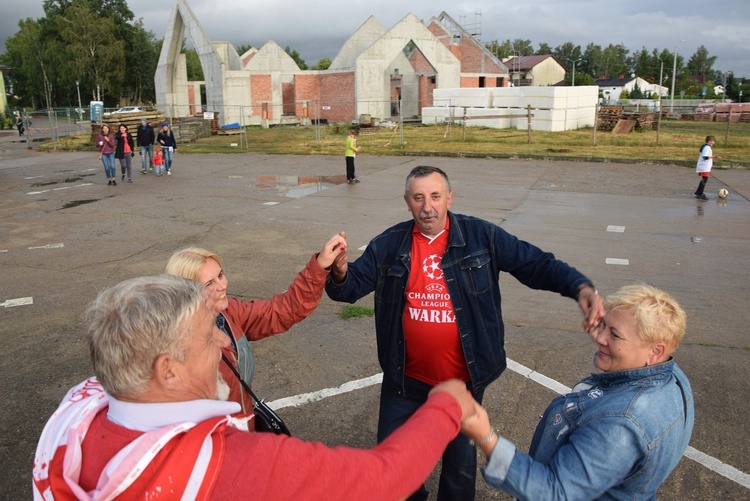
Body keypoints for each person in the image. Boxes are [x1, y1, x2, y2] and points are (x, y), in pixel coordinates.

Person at [32, 274, 486, 500]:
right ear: (167, 371)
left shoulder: (74, 419)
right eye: (209, 336)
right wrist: (446, 404)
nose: (221, 342)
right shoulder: (231, 464)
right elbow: (384, 480)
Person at [325, 165, 603, 500]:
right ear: (407, 202)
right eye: (418, 198)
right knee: (393, 468)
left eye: (435, 196)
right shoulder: (388, 244)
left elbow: (535, 264)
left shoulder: (482, 237)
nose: (427, 206)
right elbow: (349, 288)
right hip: (404, 383)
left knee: (458, 472)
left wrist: (579, 287)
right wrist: (340, 271)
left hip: (462, 384)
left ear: (449, 198)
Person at [462, 283, 694, 500]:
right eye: (604, 325)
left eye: (615, 334)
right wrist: (612, 343)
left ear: (655, 352)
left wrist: (485, 437)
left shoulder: (620, 424)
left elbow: (554, 492)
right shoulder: (672, 378)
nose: (600, 338)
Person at [165, 233, 346, 415]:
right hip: (217, 437)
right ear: (187, 292)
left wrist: (320, 265)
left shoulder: (228, 314)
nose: (222, 285)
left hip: (243, 428)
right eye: (209, 283)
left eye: (221, 275)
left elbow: (282, 311)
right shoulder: (174, 347)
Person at [694, 135, 720, 200]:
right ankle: (700, 193)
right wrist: (713, 157)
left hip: (704, 166)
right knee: (704, 179)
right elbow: (705, 157)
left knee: (704, 179)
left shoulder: (706, 147)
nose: (713, 143)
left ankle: (698, 192)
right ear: (709, 141)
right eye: (712, 141)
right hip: (704, 166)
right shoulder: (707, 148)